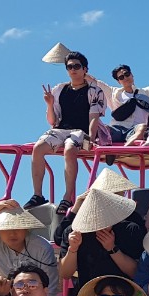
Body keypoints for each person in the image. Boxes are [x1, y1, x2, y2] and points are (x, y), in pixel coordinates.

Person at [26, 50, 107, 215]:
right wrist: (49, 104)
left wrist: (91, 138)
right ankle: (38, 194)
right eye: (69, 67)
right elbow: (52, 121)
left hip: (81, 131)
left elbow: (94, 118)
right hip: (61, 129)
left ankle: (68, 196)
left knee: (70, 149)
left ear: (85, 69)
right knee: (38, 148)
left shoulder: (94, 91)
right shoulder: (59, 90)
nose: (73, 69)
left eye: (77, 66)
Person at [59, 188, 145, 296]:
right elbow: (65, 273)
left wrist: (112, 249)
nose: (100, 222)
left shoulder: (130, 229)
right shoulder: (73, 232)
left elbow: (136, 272)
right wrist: (73, 249)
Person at [86, 64, 149, 146]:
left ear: (132, 75)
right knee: (100, 127)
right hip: (116, 129)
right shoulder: (113, 93)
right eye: (121, 77)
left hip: (135, 130)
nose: (125, 78)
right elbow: (94, 81)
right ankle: (91, 145)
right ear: (118, 81)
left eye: (127, 74)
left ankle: (125, 149)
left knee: (143, 128)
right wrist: (79, 69)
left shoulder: (148, 93)